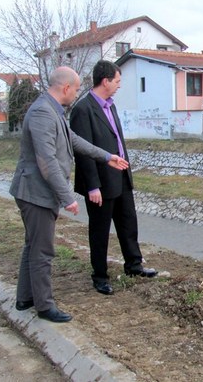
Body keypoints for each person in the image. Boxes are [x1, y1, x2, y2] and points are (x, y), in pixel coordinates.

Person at [10, 66, 129, 323]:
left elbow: (73, 140)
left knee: (33, 245)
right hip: (35, 193)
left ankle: (25, 297)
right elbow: (47, 161)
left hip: (37, 191)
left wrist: (107, 157)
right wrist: (67, 198)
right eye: (75, 89)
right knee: (43, 250)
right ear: (65, 88)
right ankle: (44, 306)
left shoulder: (52, 109)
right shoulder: (43, 112)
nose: (76, 94)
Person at [70, 60, 156, 296]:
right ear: (106, 81)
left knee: (128, 223)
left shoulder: (111, 106)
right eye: (117, 81)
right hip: (99, 182)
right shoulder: (82, 110)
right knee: (99, 231)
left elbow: (117, 141)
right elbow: (83, 152)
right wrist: (92, 186)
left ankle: (134, 265)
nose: (119, 85)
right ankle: (100, 276)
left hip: (120, 176)